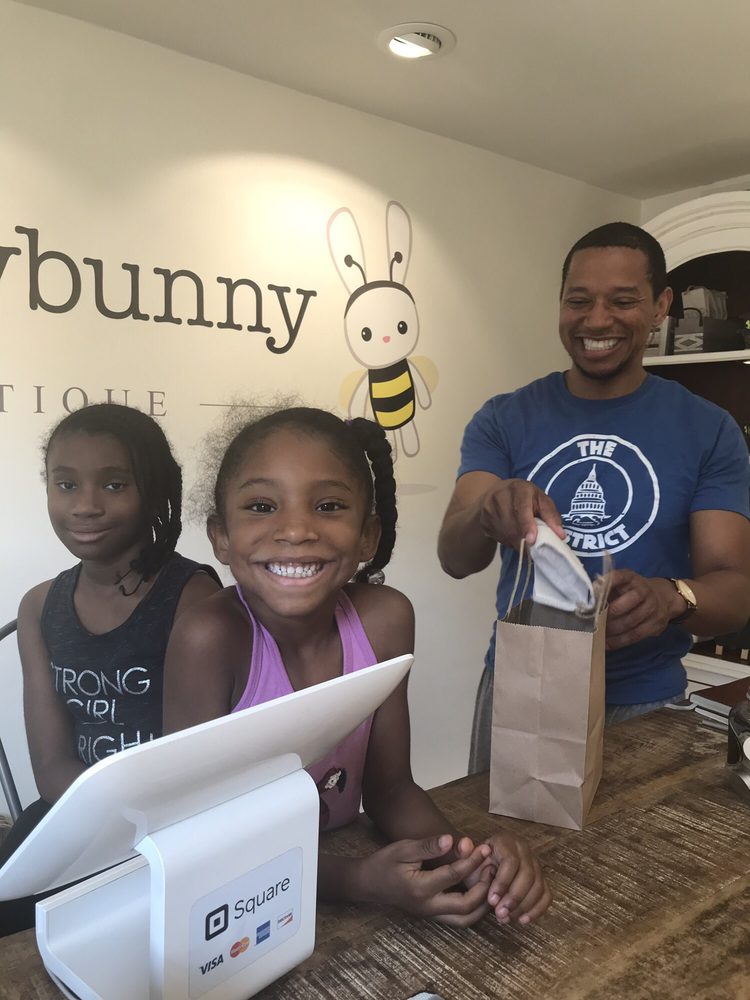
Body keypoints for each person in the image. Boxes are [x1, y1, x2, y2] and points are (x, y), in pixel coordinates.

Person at [163, 407, 551, 927]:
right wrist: (359, 880)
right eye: (261, 506)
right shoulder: (208, 638)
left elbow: (391, 789)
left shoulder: (384, 621)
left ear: (367, 535)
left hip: (341, 867)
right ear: (221, 537)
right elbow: (197, 836)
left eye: (328, 506)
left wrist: (467, 862)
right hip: (240, 913)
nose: (296, 530)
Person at [438, 221, 750, 772]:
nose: (597, 320)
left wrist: (672, 598)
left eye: (623, 301)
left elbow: (736, 590)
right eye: (578, 301)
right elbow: (454, 557)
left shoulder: (709, 429)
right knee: (497, 831)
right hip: (523, 688)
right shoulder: (504, 418)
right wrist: (489, 511)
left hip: (647, 701)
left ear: (661, 306)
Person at [0, 403, 221, 934]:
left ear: (155, 493)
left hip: (168, 827)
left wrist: (133, 834)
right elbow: (50, 765)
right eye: (66, 485)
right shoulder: (38, 607)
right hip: (70, 812)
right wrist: (96, 828)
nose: (86, 506)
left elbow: (194, 766)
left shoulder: (193, 596)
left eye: (115, 485)